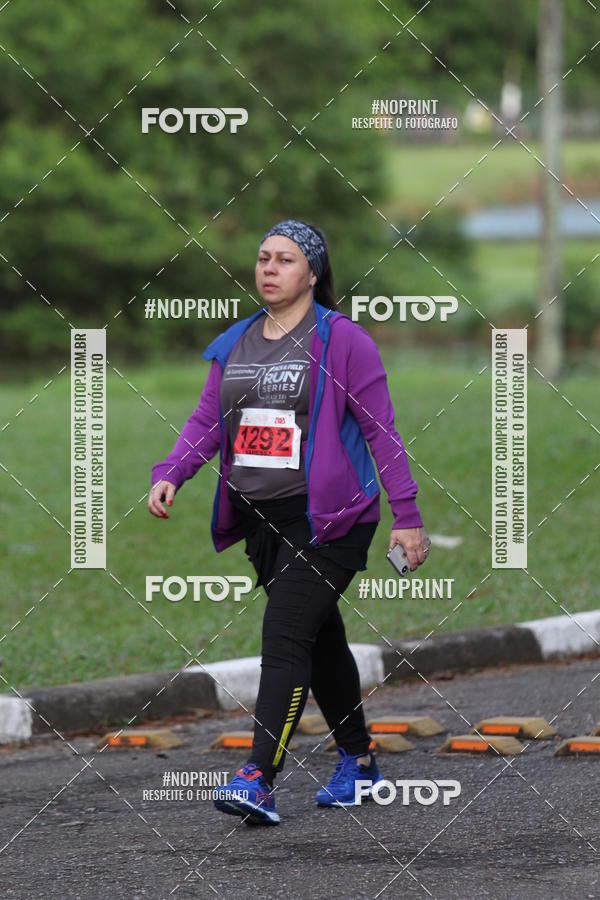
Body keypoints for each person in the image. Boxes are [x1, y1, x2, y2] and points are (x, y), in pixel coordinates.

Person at [149, 219, 429, 826]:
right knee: (318, 638)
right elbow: (206, 421)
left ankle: (258, 777)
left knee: (283, 637)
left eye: (285, 260)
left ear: (312, 272)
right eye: (263, 258)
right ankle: (359, 764)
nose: (269, 269)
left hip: (328, 519)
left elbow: (381, 432)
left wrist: (406, 516)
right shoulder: (236, 344)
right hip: (261, 520)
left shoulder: (342, 340)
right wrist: (173, 470)